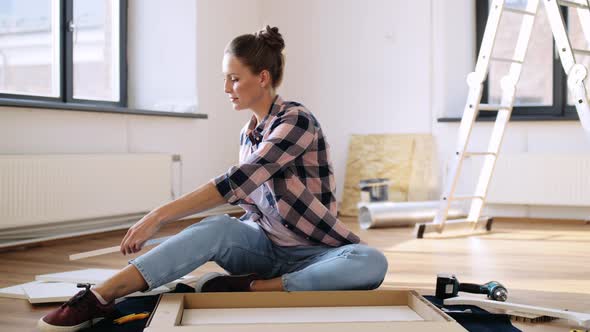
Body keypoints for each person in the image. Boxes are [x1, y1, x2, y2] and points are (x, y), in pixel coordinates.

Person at [38, 26, 388, 332]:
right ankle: (100, 295)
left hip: (317, 254)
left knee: (371, 262)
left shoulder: (296, 120)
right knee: (215, 228)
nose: (226, 88)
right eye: (225, 78)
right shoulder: (247, 133)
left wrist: (158, 216)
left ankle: (254, 289)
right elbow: (248, 206)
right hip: (266, 250)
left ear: (262, 78)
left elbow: (235, 182)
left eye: (234, 78)